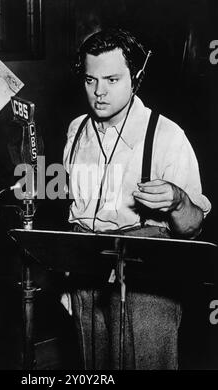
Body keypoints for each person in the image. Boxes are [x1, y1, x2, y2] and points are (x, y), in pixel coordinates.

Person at [63, 27, 211, 370]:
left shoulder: (167, 135)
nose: (99, 92)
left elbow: (192, 228)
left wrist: (177, 201)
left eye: (112, 80)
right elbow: (74, 212)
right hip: (87, 281)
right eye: (90, 80)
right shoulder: (76, 130)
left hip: (148, 288)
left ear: (137, 77)